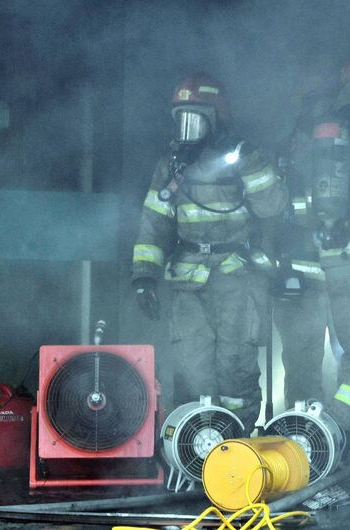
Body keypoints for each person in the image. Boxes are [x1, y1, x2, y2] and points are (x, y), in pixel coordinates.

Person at [131, 73, 287, 433]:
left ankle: (239, 445)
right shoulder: (171, 166)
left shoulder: (242, 156)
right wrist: (144, 276)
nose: (187, 129)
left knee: (235, 366)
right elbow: (153, 223)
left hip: (236, 277)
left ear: (215, 120)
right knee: (190, 367)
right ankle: (194, 448)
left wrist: (250, 164)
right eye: (180, 119)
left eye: (195, 119)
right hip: (188, 280)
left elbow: (272, 207)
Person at [273, 55, 350, 438]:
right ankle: (337, 430)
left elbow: (282, 207)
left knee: (302, 361)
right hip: (345, 263)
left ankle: (304, 435)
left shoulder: (303, 141)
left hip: (305, 264)